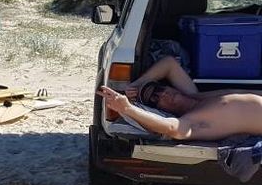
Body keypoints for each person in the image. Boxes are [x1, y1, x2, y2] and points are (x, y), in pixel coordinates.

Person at [99, 54, 262, 139]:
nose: (163, 94)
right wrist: (128, 109)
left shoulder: (196, 96)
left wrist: (137, 84)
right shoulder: (193, 120)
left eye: (159, 89)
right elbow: (172, 128)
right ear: (161, 110)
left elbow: (169, 64)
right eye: (156, 99)